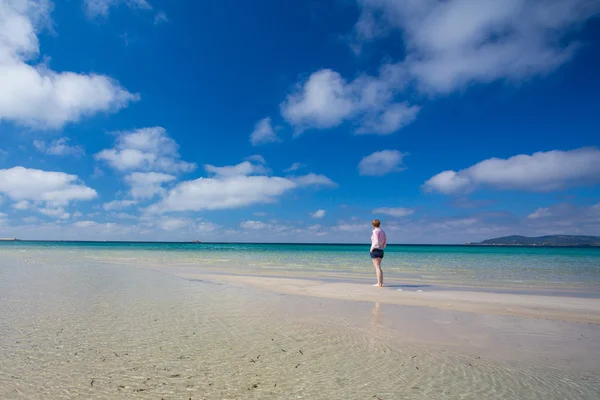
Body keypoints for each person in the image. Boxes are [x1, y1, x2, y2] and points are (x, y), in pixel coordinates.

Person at [370, 219, 386, 287]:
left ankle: (379, 283)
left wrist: (372, 248)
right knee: (379, 267)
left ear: (373, 225)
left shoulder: (375, 231)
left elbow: (376, 241)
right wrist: (382, 246)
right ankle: (381, 283)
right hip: (381, 250)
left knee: (377, 267)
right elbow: (385, 241)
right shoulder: (382, 231)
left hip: (376, 250)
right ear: (379, 224)